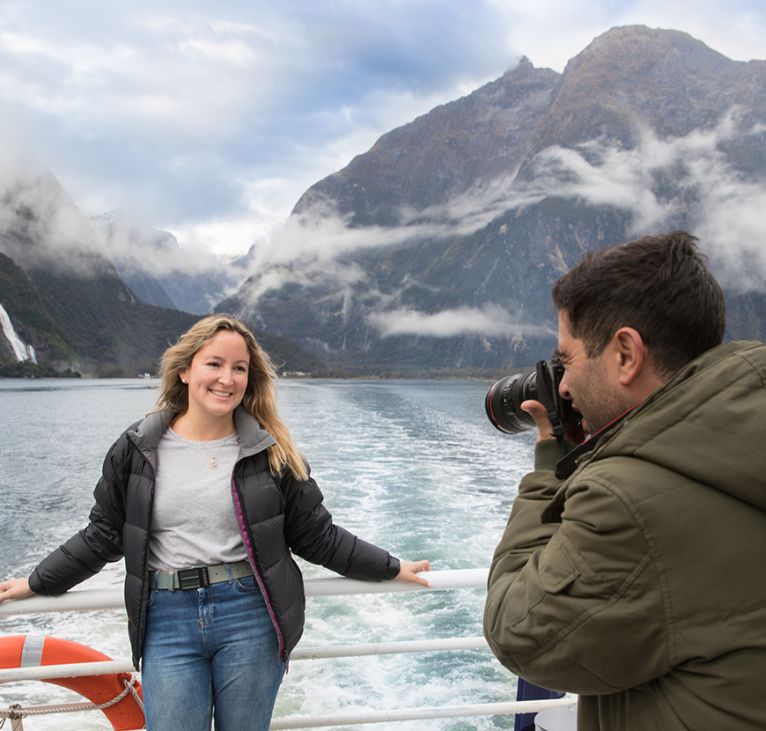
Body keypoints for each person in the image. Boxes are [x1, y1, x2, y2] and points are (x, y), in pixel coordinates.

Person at [0, 314, 431, 731]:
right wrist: (38, 582)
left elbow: (315, 535)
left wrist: (391, 566)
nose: (227, 378)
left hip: (249, 613)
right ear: (185, 371)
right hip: (166, 618)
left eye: (239, 368)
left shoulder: (270, 451)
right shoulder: (136, 448)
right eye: (215, 364)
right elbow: (104, 533)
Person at [483, 231, 766, 730]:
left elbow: (516, 630)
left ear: (626, 354)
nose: (563, 385)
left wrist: (551, 466)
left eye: (567, 360)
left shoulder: (626, 500)